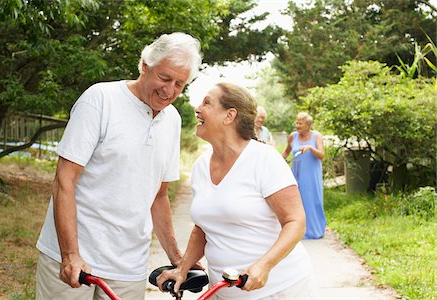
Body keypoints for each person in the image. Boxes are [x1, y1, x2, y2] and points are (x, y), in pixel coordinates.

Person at [35, 32, 202, 299]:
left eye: (179, 84)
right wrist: (70, 255)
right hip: (74, 259)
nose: (169, 90)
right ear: (145, 66)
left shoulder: (172, 120)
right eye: (164, 78)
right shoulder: (100, 99)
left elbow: (158, 196)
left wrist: (178, 258)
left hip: (128, 267)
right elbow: (64, 180)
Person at [157, 83, 315, 299]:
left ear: (229, 115)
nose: (197, 109)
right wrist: (183, 268)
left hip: (277, 289)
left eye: (207, 103)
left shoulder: (264, 159)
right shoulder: (201, 166)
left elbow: (296, 222)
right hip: (221, 291)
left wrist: (264, 265)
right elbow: (204, 227)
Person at [282, 112, 326, 239]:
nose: (297, 125)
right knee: (296, 202)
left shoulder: (317, 136)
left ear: (308, 125)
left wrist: (310, 148)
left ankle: (314, 230)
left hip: (311, 174)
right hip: (295, 172)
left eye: (300, 123)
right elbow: (286, 152)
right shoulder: (293, 136)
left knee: (312, 201)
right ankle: (297, 231)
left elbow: (322, 155)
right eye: (296, 123)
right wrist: (277, 161)